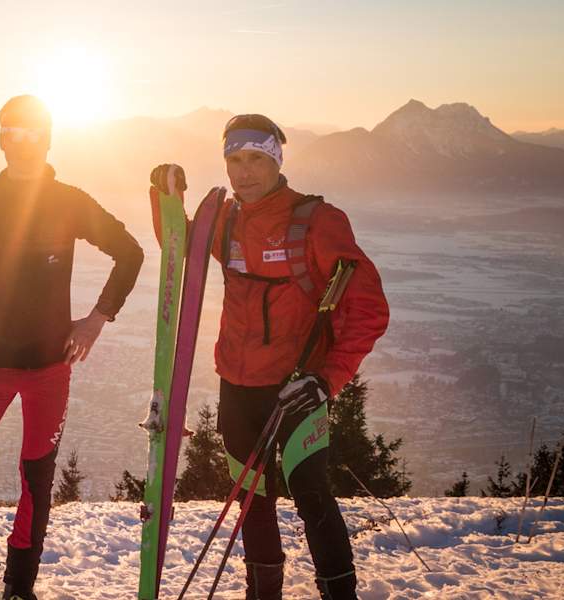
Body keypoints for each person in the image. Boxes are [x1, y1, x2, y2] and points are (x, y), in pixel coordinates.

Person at [151, 114, 389, 600]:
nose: (244, 171)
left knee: (313, 496)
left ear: (277, 159)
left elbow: (368, 308)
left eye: (256, 158)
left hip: (297, 388)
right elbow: (185, 254)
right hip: (237, 387)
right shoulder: (227, 219)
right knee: (252, 503)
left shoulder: (317, 222)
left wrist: (326, 379)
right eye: (234, 159)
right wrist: (164, 198)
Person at [0, 95, 144, 600]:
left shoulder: (68, 201)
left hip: (51, 368)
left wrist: (96, 320)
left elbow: (130, 252)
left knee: (36, 480)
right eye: (9, 131)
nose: (19, 141)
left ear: (47, 137)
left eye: (29, 132)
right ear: (0, 136)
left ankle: (19, 587)